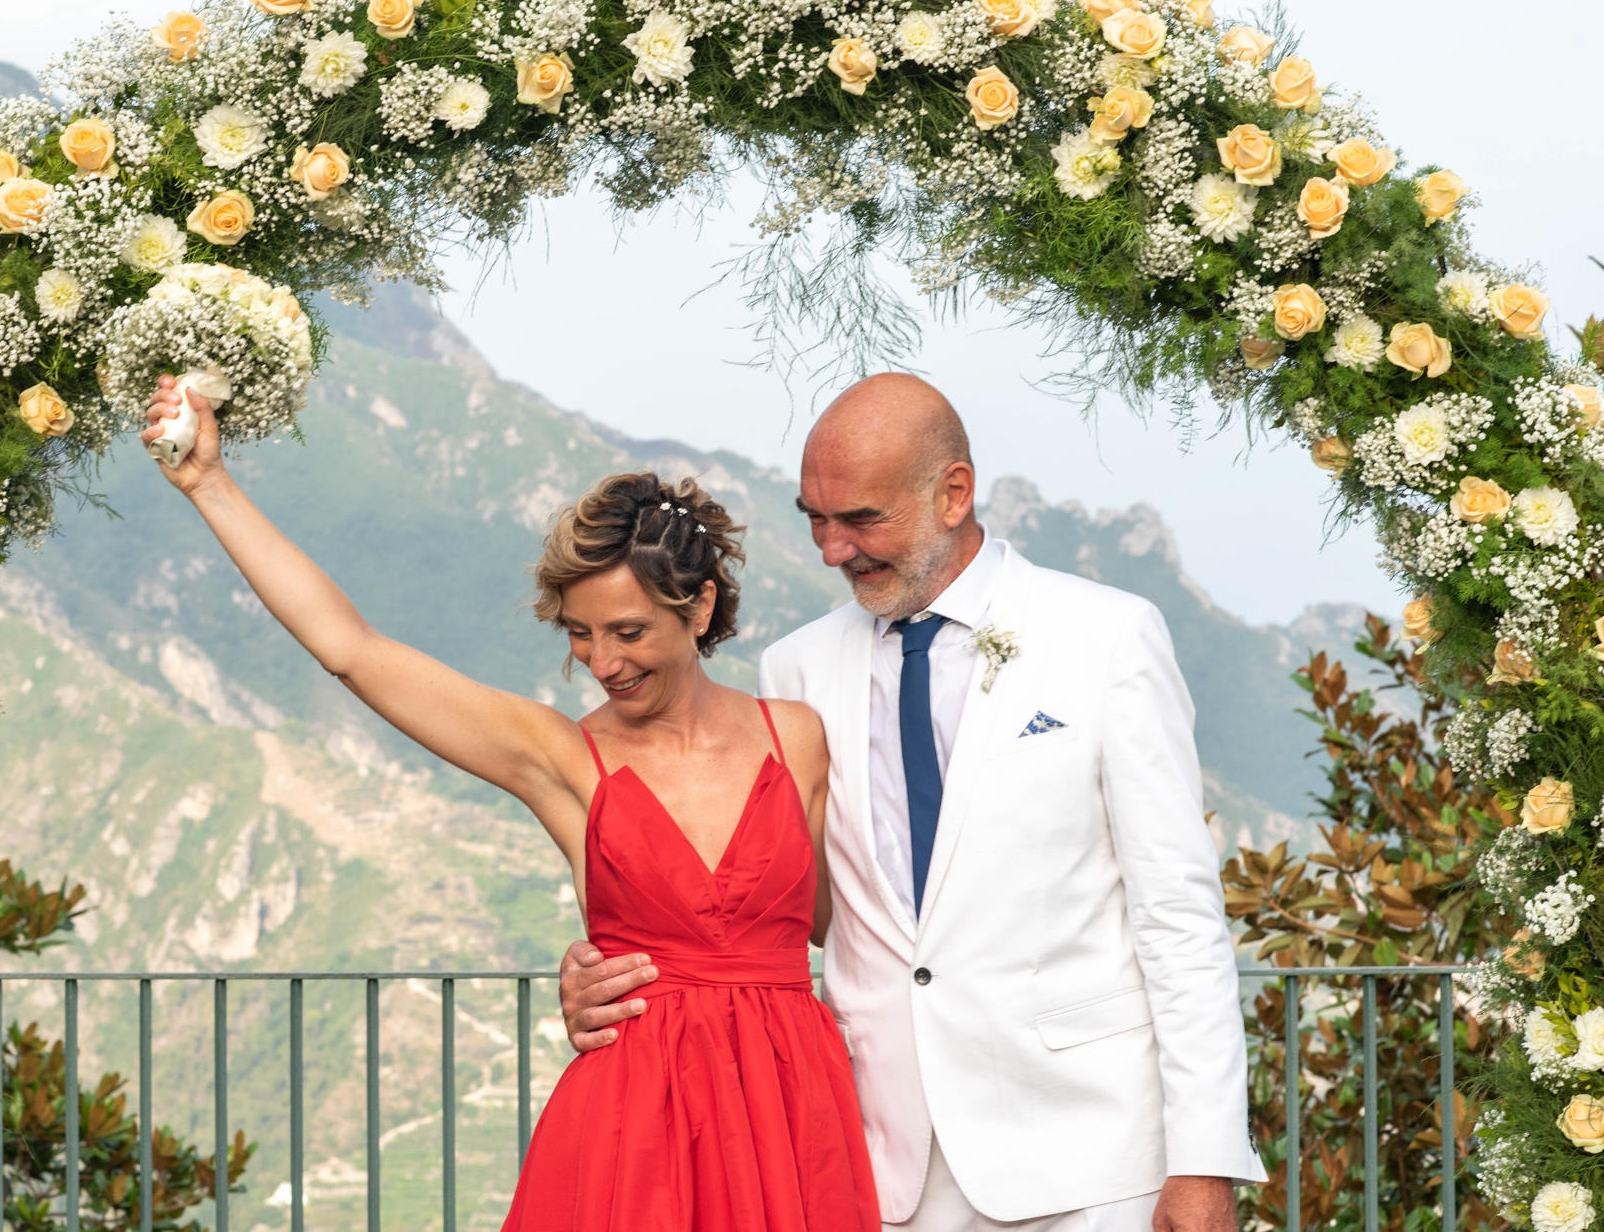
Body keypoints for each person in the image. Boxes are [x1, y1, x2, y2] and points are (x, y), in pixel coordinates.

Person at [142, 376, 881, 1232]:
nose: (602, 662)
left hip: (793, 1120)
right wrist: (209, 482)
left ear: (701, 606)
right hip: (632, 1132)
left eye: (629, 631)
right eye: (579, 633)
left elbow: (831, 923)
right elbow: (352, 650)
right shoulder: (564, 758)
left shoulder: (798, 738)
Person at [558, 374, 1264, 1232]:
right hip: (880, 1165)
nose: (830, 548)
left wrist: (1204, 1160)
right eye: (814, 518)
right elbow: (783, 911)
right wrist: (618, 974)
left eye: (859, 518)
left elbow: (1179, 916)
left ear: (954, 494)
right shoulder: (797, 671)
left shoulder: (1107, 637)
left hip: (1093, 1162)